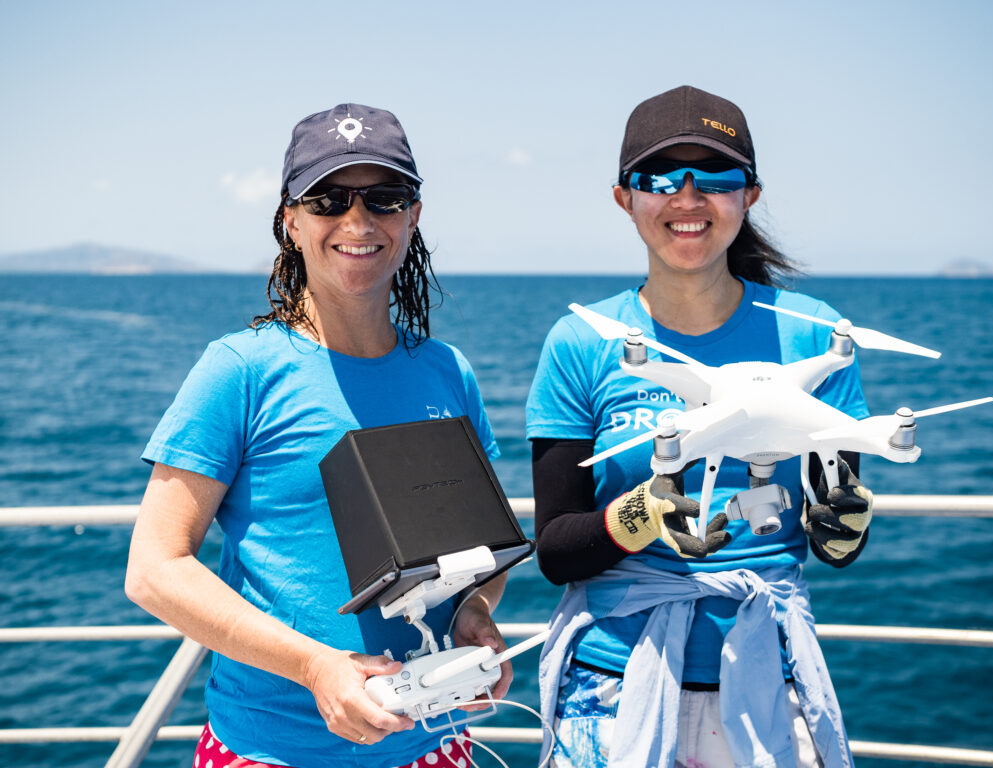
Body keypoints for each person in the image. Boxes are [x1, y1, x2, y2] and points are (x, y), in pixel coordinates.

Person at [125, 103, 511, 768]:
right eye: (329, 199)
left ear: (413, 216)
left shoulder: (448, 373)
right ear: (291, 220)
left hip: (434, 742)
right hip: (270, 751)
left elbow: (470, 553)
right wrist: (313, 667)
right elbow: (155, 571)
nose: (358, 222)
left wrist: (474, 609)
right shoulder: (240, 370)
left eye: (385, 198)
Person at [526, 86, 875, 768]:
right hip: (612, 685)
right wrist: (652, 511)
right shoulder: (580, 343)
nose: (689, 199)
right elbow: (557, 550)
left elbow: (837, 542)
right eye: (660, 178)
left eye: (716, 178)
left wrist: (847, 527)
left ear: (748, 195)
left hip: (767, 679)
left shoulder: (815, 336)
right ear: (625, 197)